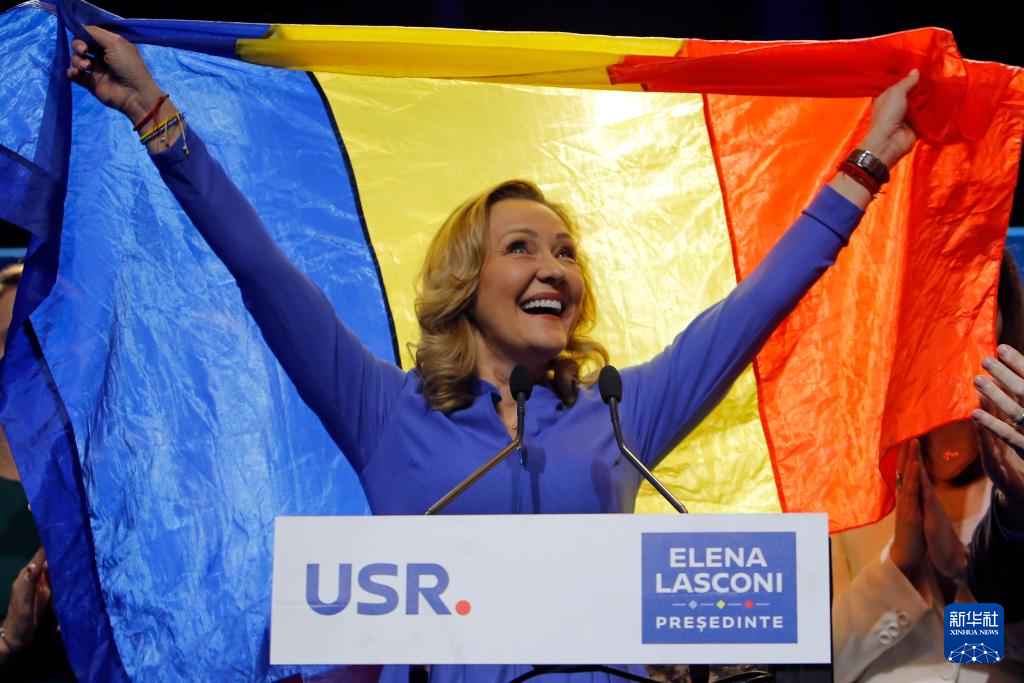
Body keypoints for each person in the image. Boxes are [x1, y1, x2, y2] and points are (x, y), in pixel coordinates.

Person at [67, 25, 919, 683]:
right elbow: (262, 269)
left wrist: (867, 164)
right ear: (466, 282)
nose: (555, 268)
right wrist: (155, 115)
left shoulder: (617, 414)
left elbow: (752, 309)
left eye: (566, 252)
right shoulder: (384, 410)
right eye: (522, 249)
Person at [831, 250, 1024, 683]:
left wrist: (963, 578)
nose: (953, 325)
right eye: (931, 301)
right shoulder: (841, 465)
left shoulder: (1017, 464)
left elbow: (977, 653)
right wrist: (899, 563)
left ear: (1004, 320)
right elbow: (817, 663)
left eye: (976, 301)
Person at [0, 264, 75, 681]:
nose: (27, 361)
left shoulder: (103, 481)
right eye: (10, 340)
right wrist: (8, 641)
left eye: (42, 339)